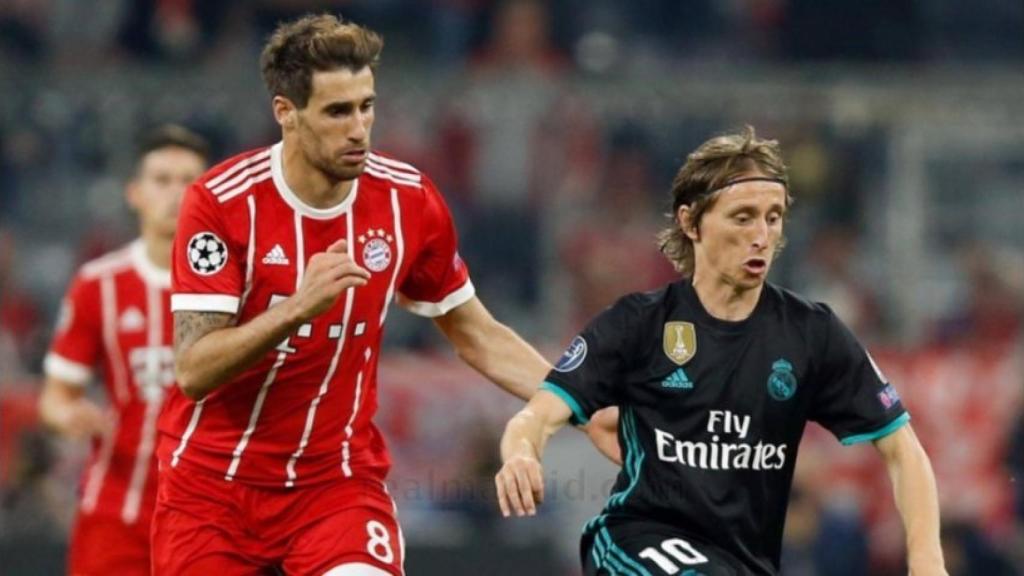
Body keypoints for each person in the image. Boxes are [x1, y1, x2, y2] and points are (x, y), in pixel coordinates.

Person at [153, 14, 571, 576]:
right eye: (337, 111)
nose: (359, 129)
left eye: (366, 106)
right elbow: (194, 369)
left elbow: (477, 335)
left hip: (334, 487)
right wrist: (297, 307)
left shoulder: (408, 200)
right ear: (286, 114)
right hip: (211, 492)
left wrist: (578, 405)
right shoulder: (221, 203)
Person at [494, 127, 948, 576]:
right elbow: (536, 416)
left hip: (744, 563)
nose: (762, 235)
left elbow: (902, 449)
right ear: (691, 222)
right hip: (636, 541)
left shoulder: (812, 334)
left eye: (773, 217)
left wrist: (928, 562)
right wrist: (521, 454)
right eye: (743, 216)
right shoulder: (639, 324)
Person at [39, 125, 210, 575]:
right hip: (116, 512)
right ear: (134, 193)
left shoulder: (240, 286)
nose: (176, 192)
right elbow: (56, 396)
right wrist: (68, 415)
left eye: (189, 180)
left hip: (211, 519)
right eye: (161, 179)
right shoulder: (98, 284)